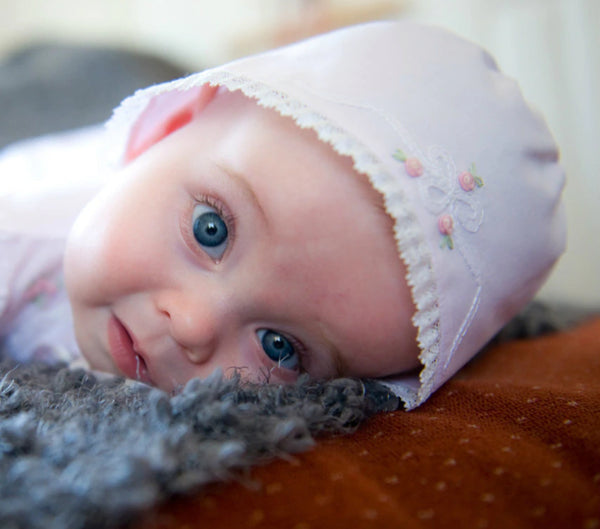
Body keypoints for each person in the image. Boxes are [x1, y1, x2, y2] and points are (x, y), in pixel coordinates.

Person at [0, 21, 565, 410]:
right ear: (168, 126)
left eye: (280, 348)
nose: (192, 327)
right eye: (210, 231)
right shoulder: (21, 230)